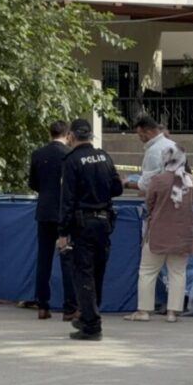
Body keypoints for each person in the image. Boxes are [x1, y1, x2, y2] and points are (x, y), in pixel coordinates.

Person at [58, 118, 124, 341]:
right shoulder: (104, 156)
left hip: (83, 224)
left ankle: (91, 325)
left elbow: (67, 200)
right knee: (97, 272)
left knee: (83, 273)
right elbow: (117, 188)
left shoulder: (72, 160)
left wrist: (62, 232)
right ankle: (89, 315)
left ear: (72, 136)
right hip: (104, 222)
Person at [126, 145, 193, 324]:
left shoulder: (158, 180)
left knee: (148, 271)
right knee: (178, 273)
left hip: (158, 233)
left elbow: (149, 203)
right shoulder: (191, 181)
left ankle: (144, 311)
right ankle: (173, 313)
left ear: (165, 160)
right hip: (183, 234)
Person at [28, 121, 78, 321]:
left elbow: (33, 183)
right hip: (64, 212)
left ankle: (42, 305)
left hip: (44, 211)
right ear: (68, 134)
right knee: (67, 258)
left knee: (44, 259)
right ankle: (70, 307)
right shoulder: (70, 154)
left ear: (50, 133)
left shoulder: (38, 154)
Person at [124, 115, 176, 194]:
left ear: (148, 133)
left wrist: (126, 184)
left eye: (140, 135)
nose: (140, 139)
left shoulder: (153, 151)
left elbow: (147, 185)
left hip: (164, 196)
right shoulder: (173, 144)